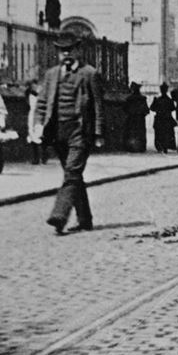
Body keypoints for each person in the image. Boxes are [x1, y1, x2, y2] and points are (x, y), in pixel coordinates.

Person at [35, 33, 105, 235]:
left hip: (80, 132)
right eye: (62, 50)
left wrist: (98, 132)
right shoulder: (51, 74)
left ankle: (59, 215)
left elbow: (98, 106)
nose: (66, 54)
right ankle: (85, 220)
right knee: (73, 177)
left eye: (70, 50)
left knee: (72, 174)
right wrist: (38, 124)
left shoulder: (89, 74)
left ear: (78, 50)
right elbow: (42, 103)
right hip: (58, 132)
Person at [150, 82, 176, 154]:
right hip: (167, 119)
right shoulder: (169, 100)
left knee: (159, 134)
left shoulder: (157, 100)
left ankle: (160, 147)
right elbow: (173, 108)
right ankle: (165, 147)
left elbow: (152, 108)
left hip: (159, 119)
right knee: (166, 134)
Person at [25, 80, 47, 165]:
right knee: (32, 134)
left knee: (41, 134)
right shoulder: (29, 94)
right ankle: (35, 158)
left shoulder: (41, 94)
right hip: (32, 114)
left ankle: (43, 157)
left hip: (39, 114)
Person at [123, 81, 149, 152]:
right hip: (140, 119)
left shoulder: (129, 99)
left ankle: (131, 147)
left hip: (131, 118)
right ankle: (140, 147)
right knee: (140, 133)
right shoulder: (143, 98)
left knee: (131, 133)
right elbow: (146, 110)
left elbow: (125, 109)